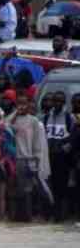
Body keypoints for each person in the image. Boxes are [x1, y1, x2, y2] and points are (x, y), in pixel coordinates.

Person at [7, 94, 50, 222]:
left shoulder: (33, 121)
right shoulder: (12, 120)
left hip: (29, 159)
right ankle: (20, 217)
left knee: (29, 190)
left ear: (29, 104)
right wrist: (15, 113)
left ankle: (29, 217)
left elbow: (37, 142)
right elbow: (5, 125)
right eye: (19, 103)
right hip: (15, 159)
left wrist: (37, 159)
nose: (22, 106)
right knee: (18, 190)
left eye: (24, 103)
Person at [43, 91, 76, 222]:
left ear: (63, 103)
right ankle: (49, 214)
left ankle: (60, 216)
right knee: (48, 186)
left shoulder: (69, 117)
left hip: (61, 158)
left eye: (60, 101)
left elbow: (73, 137)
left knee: (61, 187)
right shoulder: (46, 117)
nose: (57, 103)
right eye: (55, 100)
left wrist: (64, 149)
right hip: (48, 156)